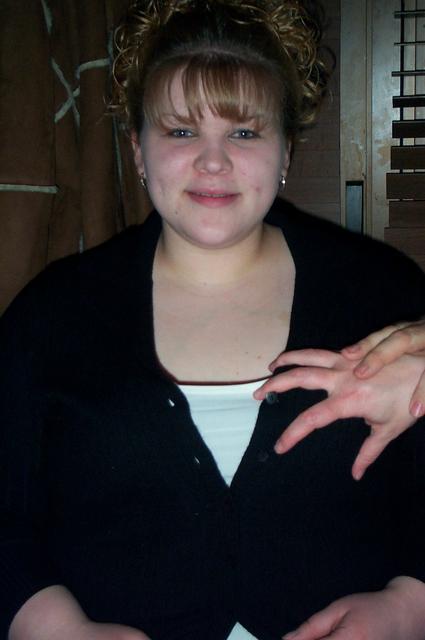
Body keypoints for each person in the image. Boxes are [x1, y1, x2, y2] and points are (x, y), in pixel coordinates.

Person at [2, 1, 425, 639]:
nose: (213, 161)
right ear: (137, 150)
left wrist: (410, 606)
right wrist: (51, 626)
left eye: (245, 133)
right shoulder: (49, 316)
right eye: (180, 132)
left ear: (286, 150)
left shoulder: (386, 295)